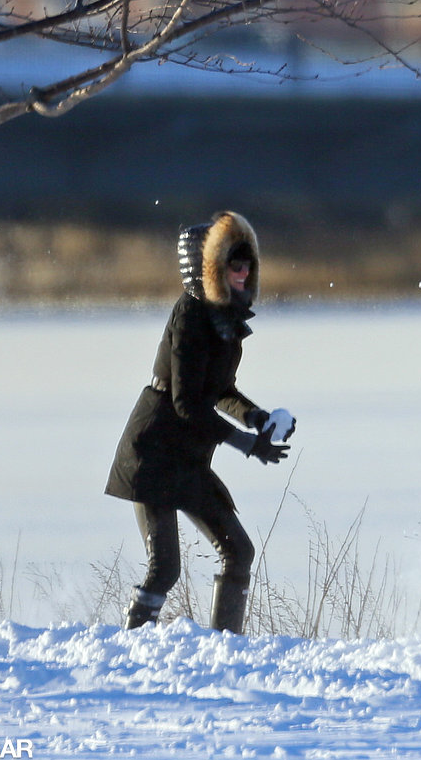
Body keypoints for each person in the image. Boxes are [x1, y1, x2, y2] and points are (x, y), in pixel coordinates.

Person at [105, 211, 296, 633]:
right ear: (210, 268)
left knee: (238, 552)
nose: (244, 270)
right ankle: (128, 646)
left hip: (186, 457)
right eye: (234, 262)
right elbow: (187, 403)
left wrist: (257, 418)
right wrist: (248, 445)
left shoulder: (225, 320)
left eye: (248, 261)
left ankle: (224, 647)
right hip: (153, 453)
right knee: (164, 570)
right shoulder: (191, 315)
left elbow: (220, 391)